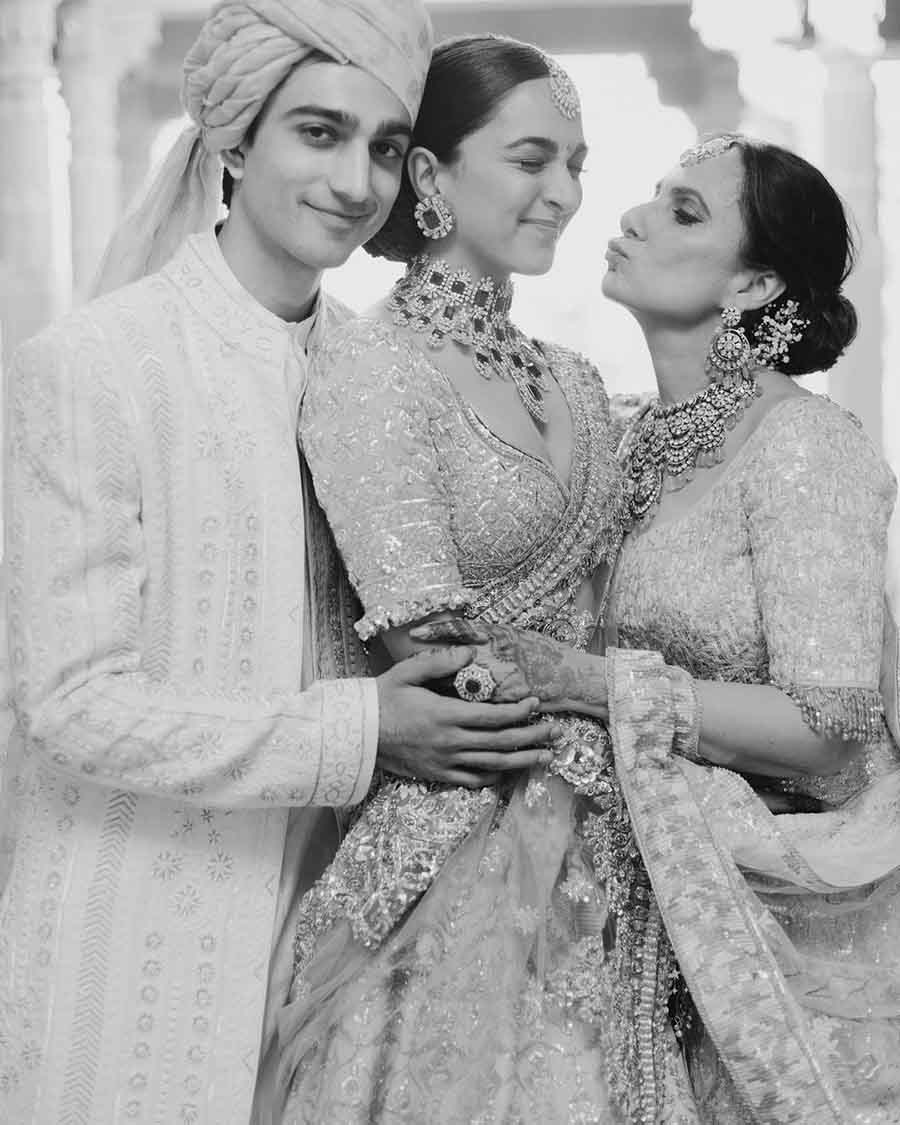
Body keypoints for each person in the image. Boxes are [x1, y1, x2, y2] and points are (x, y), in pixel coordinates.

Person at [0, 5, 561, 1122]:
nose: (357, 180)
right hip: (131, 950)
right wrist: (361, 732)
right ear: (235, 141)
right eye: (318, 133)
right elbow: (65, 703)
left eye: (387, 146)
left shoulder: (379, 372)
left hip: (331, 957)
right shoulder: (97, 368)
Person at [419, 133, 900, 1122]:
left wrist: (590, 685)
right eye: (651, 196)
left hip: (777, 927)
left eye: (684, 211)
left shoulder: (805, 449)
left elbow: (830, 720)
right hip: (620, 904)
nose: (634, 217)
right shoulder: (627, 438)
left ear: (753, 285)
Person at [269, 35, 704, 1124]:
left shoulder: (574, 374)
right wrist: (594, 718)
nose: (564, 192)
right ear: (430, 175)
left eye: (577, 164)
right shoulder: (374, 366)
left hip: (622, 831)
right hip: (457, 839)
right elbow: (425, 644)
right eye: (531, 159)